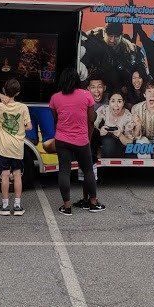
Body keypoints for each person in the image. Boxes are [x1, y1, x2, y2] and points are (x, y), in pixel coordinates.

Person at [49, 68, 105, 215]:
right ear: (77, 80)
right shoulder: (86, 96)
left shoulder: (55, 98)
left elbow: (55, 119)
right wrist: (88, 136)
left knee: (64, 171)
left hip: (62, 139)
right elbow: (91, 119)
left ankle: (67, 207)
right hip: (81, 139)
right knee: (88, 171)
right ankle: (93, 203)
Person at [0, 79, 32, 216]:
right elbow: (29, 127)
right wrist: (21, 128)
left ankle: (5, 206)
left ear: (4, 90)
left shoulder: (0, 107)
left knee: (5, 175)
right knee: (17, 174)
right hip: (17, 146)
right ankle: (18, 206)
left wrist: (1, 97)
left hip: (4, 147)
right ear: (18, 92)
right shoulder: (23, 107)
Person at [94, 92, 135, 158]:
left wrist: (120, 135)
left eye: (119, 101)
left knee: (109, 142)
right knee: (107, 141)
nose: (116, 105)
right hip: (104, 143)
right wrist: (99, 131)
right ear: (109, 102)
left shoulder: (128, 117)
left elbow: (129, 142)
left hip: (121, 146)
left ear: (123, 102)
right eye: (113, 101)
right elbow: (92, 127)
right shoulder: (103, 109)